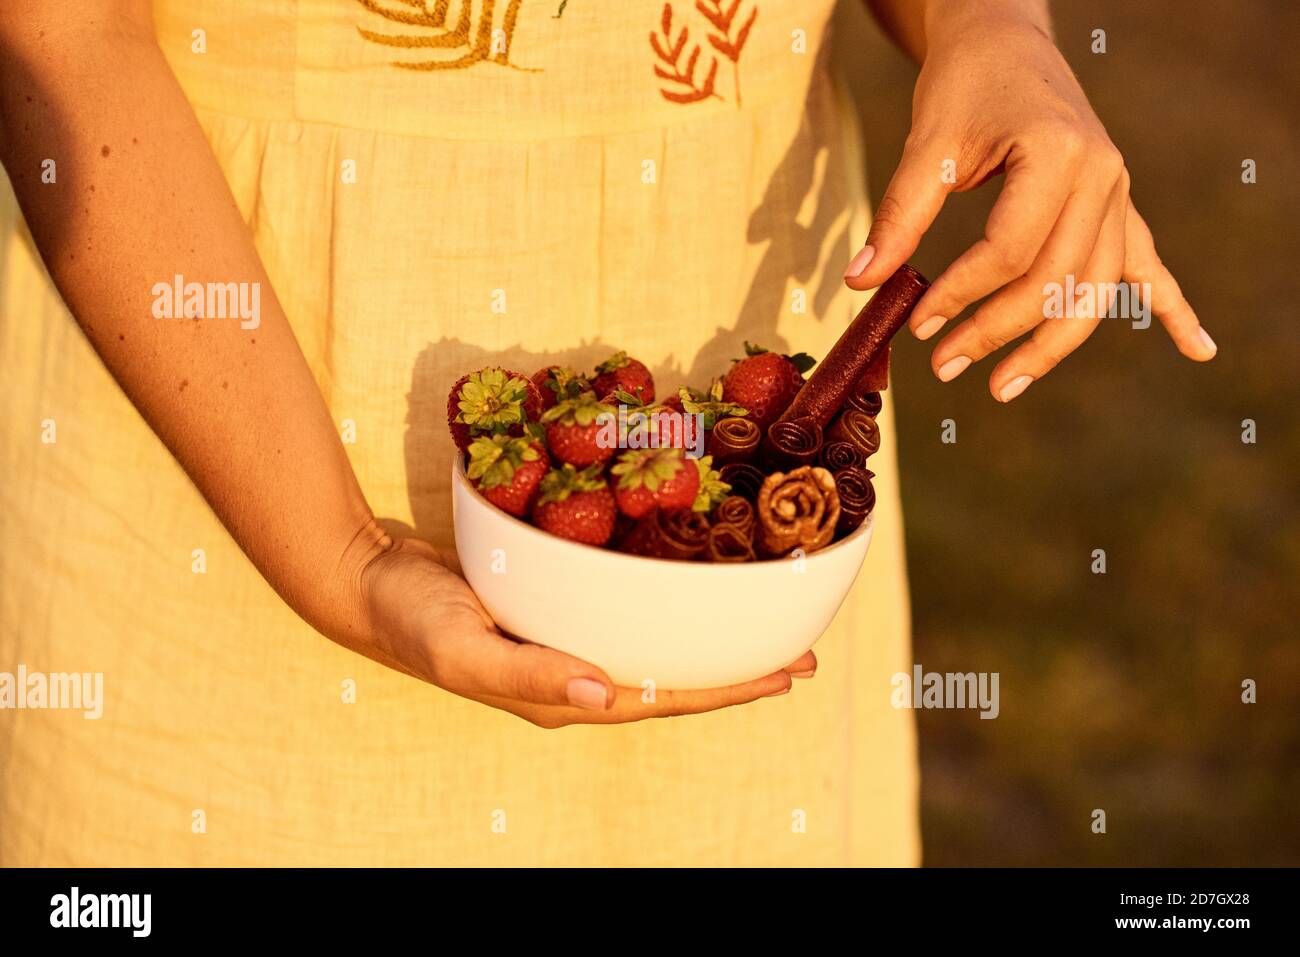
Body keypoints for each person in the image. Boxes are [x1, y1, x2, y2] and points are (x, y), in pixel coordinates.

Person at [0, 0, 1209, 866]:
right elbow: (59, 29)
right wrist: (340, 558)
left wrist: (995, 31)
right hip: (238, 401)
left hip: (734, 342)